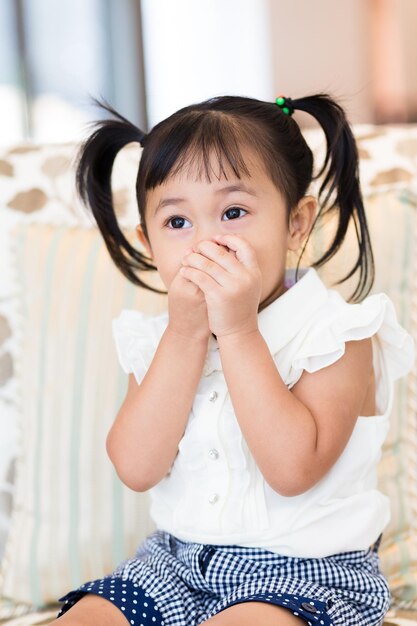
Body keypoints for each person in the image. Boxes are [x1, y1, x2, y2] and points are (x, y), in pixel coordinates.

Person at [53, 93, 414, 626]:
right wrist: (184, 337)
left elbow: (293, 470)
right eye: (177, 223)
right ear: (149, 244)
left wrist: (240, 329)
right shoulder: (157, 339)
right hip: (175, 564)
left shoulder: (336, 334)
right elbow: (136, 466)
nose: (207, 242)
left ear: (296, 223)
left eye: (234, 212)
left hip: (303, 573)